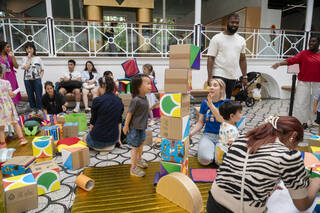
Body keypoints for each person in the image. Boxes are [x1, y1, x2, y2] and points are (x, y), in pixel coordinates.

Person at [207, 116, 320, 213]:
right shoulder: (288, 155)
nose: (294, 148)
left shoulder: (242, 138)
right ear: (293, 136)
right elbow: (302, 206)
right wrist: (315, 184)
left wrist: (262, 181)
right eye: (296, 144)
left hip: (212, 204)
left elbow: (240, 169)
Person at [272, 36, 320, 129]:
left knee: (315, 104)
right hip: (303, 83)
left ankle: (314, 121)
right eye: (310, 41)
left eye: (313, 41)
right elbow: (292, 60)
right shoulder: (303, 54)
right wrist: (279, 63)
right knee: (301, 103)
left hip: (318, 84)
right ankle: (301, 122)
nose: (311, 43)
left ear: (318, 43)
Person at [206, 13, 247, 99]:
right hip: (219, 73)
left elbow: (242, 59)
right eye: (232, 22)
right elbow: (211, 58)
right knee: (217, 99)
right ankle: (214, 112)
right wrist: (210, 77)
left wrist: (244, 76)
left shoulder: (241, 40)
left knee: (226, 101)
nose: (234, 25)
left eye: (237, 23)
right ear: (227, 22)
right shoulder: (217, 38)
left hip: (232, 75)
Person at [190, 78, 227, 165]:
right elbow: (200, 122)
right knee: (205, 160)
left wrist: (211, 105)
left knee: (221, 162)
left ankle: (212, 152)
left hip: (223, 137)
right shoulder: (204, 103)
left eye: (215, 85)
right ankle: (208, 150)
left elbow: (221, 120)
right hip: (208, 135)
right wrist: (190, 133)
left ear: (221, 89)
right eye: (210, 85)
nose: (211, 87)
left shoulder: (226, 103)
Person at [82, 76, 123, 154]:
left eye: (98, 86)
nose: (97, 88)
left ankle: (100, 147)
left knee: (84, 137)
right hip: (113, 139)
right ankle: (108, 147)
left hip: (98, 141)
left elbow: (92, 122)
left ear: (103, 86)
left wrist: (89, 135)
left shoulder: (97, 101)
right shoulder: (119, 101)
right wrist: (118, 139)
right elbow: (119, 122)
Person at [123, 74, 151, 177]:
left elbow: (146, 109)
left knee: (141, 143)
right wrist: (126, 126)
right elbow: (129, 114)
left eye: (150, 83)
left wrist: (152, 111)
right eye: (147, 83)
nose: (150, 85)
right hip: (135, 128)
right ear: (139, 86)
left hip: (142, 127)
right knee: (135, 147)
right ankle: (133, 168)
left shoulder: (145, 98)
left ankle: (139, 159)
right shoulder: (135, 100)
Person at [0, 67, 27, 149]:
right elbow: (11, 95)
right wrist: (15, 94)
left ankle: (3, 144)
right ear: (2, 73)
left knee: (1, 127)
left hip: (0, 107)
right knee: (14, 123)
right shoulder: (6, 82)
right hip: (8, 105)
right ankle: (22, 139)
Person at [215, 100, 242, 165]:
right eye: (240, 112)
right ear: (232, 116)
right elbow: (234, 146)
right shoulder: (232, 130)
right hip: (226, 157)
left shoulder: (223, 124)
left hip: (219, 152)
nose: (242, 114)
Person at [22, 42, 44, 114]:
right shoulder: (24, 58)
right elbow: (26, 68)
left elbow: (42, 70)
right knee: (30, 94)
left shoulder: (38, 58)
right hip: (27, 80)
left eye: (30, 48)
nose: (29, 50)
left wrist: (39, 78)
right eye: (27, 48)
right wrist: (29, 59)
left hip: (37, 79)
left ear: (33, 49)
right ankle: (33, 109)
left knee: (38, 94)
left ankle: (39, 109)